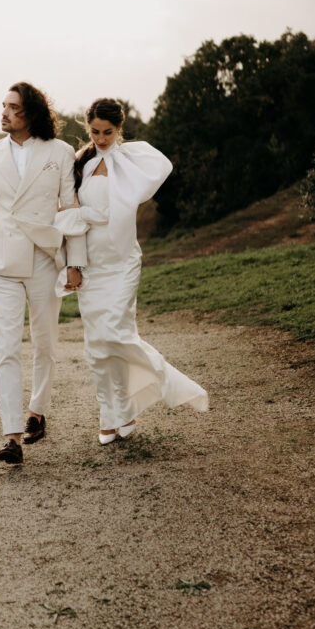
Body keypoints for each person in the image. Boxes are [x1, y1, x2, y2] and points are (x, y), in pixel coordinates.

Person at [55, 97, 208, 444]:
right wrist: (72, 264)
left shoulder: (130, 160)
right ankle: (113, 416)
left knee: (117, 334)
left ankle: (167, 380)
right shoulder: (81, 162)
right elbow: (68, 213)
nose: (101, 138)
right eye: (94, 131)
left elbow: (162, 167)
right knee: (96, 345)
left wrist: (121, 154)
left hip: (122, 262)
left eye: (108, 132)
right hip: (90, 263)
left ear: (119, 128)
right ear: (87, 128)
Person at [0, 82, 86, 464]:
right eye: (2, 105)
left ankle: (37, 411)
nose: (3, 112)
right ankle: (12, 437)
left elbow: (70, 208)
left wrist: (74, 262)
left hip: (42, 258)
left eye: (12, 107)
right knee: (6, 348)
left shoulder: (60, 152)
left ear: (31, 113)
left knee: (45, 342)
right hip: (1, 263)